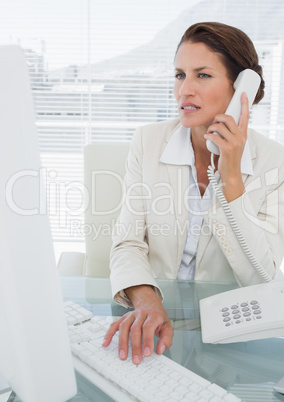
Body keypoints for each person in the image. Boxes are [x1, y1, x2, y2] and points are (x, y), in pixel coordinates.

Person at [102, 22, 284, 364]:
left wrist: (230, 180)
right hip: (149, 321)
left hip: (229, 336)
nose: (184, 90)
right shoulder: (148, 141)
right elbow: (127, 242)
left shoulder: (275, 163)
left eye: (202, 75)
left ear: (241, 87)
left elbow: (261, 276)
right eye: (179, 74)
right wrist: (147, 301)